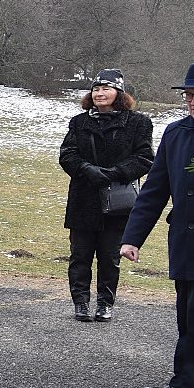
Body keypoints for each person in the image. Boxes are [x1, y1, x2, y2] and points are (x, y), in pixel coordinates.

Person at [119, 63, 194, 388]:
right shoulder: (176, 134)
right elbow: (154, 191)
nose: (191, 102)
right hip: (185, 242)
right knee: (186, 315)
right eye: (189, 96)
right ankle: (183, 381)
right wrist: (132, 238)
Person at [57, 69, 154, 322]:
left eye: (106, 88)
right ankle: (80, 302)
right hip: (84, 197)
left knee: (110, 257)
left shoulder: (138, 123)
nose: (100, 93)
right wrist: (87, 169)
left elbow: (144, 158)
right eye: (96, 89)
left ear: (119, 93)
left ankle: (105, 303)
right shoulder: (79, 122)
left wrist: (115, 173)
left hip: (119, 199)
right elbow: (67, 154)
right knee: (80, 255)